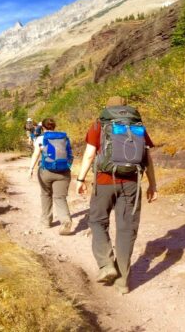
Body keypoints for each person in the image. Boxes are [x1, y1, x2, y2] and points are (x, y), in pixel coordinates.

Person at [75, 96, 158, 294]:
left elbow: (89, 154)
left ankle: (106, 264)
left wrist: (80, 179)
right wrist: (153, 185)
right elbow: (147, 158)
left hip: (104, 181)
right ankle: (123, 283)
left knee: (97, 221)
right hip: (131, 183)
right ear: (125, 108)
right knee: (126, 230)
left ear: (107, 108)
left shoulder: (99, 125)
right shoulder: (137, 126)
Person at [28, 117, 73, 235]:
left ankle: (46, 221)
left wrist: (31, 169)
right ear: (54, 126)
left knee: (46, 194)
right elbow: (69, 154)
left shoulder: (40, 138)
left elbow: (36, 154)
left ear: (42, 127)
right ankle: (65, 220)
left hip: (45, 172)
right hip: (63, 172)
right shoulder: (64, 138)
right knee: (60, 197)